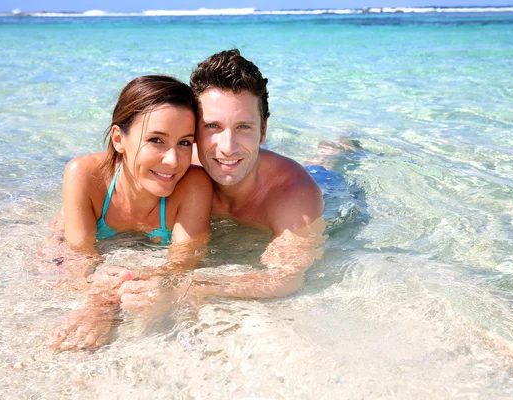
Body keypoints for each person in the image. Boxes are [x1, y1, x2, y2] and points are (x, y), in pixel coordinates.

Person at [117, 49, 325, 312]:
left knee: (323, 168)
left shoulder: (293, 196)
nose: (227, 147)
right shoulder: (174, 165)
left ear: (264, 131)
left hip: (323, 183)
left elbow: (283, 279)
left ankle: (332, 152)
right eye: (212, 126)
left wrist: (181, 289)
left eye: (243, 127)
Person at [46, 75, 213, 351]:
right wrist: (99, 303)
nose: (173, 160)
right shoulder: (84, 175)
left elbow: (184, 261)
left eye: (185, 142)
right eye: (156, 140)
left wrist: (151, 288)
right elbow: (80, 256)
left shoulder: (193, 184)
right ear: (118, 139)